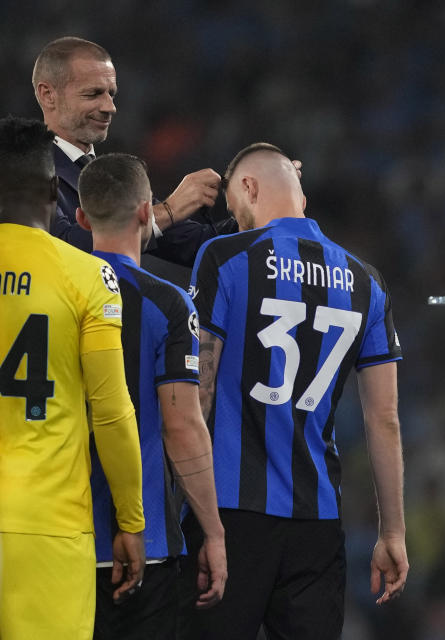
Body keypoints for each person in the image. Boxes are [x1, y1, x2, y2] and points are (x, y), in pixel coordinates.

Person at [184, 142, 408, 638]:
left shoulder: (224, 258)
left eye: (235, 209)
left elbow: (199, 393)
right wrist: (392, 530)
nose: (236, 221)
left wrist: (188, 511)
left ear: (248, 187)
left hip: (228, 513)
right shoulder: (366, 281)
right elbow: (384, 419)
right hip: (318, 520)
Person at [0, 115, 146, 639]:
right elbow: (111, 412)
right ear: (51, 189)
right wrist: (130, 520)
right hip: (49, 525)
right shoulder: (89, 276)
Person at [74, 153, 228, 638]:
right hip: (149, 541)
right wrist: (214, 532)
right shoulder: (166, 302)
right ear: (147, 212)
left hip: (59, 537)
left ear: (81, 217)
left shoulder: (58, 291)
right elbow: (182, 425)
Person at [31, 36, 236, 285]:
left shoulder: (112, 177)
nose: (110, 107)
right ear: (48, 95)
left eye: (111, 94)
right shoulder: (24, 171)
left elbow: (201, 245)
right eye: (93, 94)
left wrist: (265, 200)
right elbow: (61, 249)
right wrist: (169, 210)